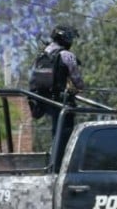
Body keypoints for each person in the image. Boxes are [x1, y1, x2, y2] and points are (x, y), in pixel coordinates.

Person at [27, 25, 85, 166]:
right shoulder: (66, 55)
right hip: (60, 101)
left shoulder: (42, 54)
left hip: (42, 100)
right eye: (70, 37)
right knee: (64, 134)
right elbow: (77, 80)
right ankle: (60, 165)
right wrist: (80, 88)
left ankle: (54, 163)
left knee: (56, 133)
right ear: (64, 38)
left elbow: (32, 78)